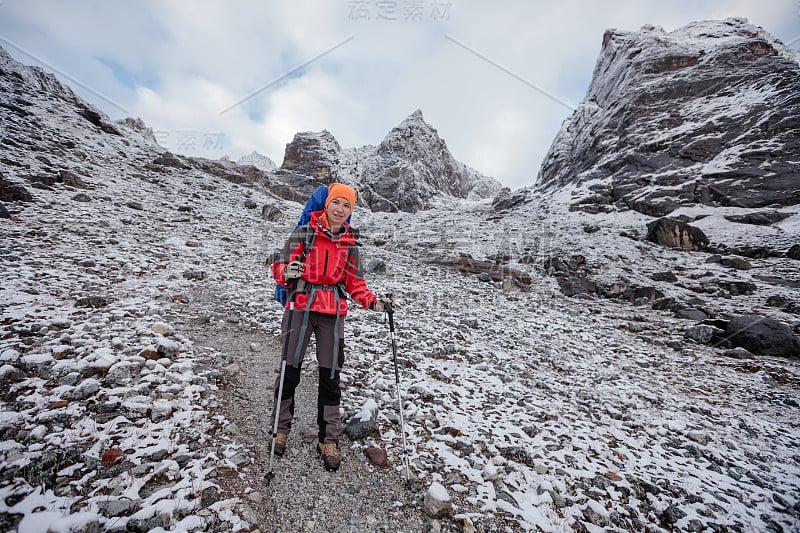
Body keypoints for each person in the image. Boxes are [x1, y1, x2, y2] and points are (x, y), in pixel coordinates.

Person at [270, 182, 391, 471]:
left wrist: (374, 303)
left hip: (332, 311)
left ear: (351, 211)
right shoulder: (304, 233)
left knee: (331, 375)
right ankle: (280, 429)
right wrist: (287, 271)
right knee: (290, 369)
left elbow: (355, 283)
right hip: (300, 305)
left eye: (347, 205)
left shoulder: (350, 244)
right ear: (327, 204)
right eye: (336, 202)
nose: (340, 209)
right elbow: (279, 264)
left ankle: (328, 439)